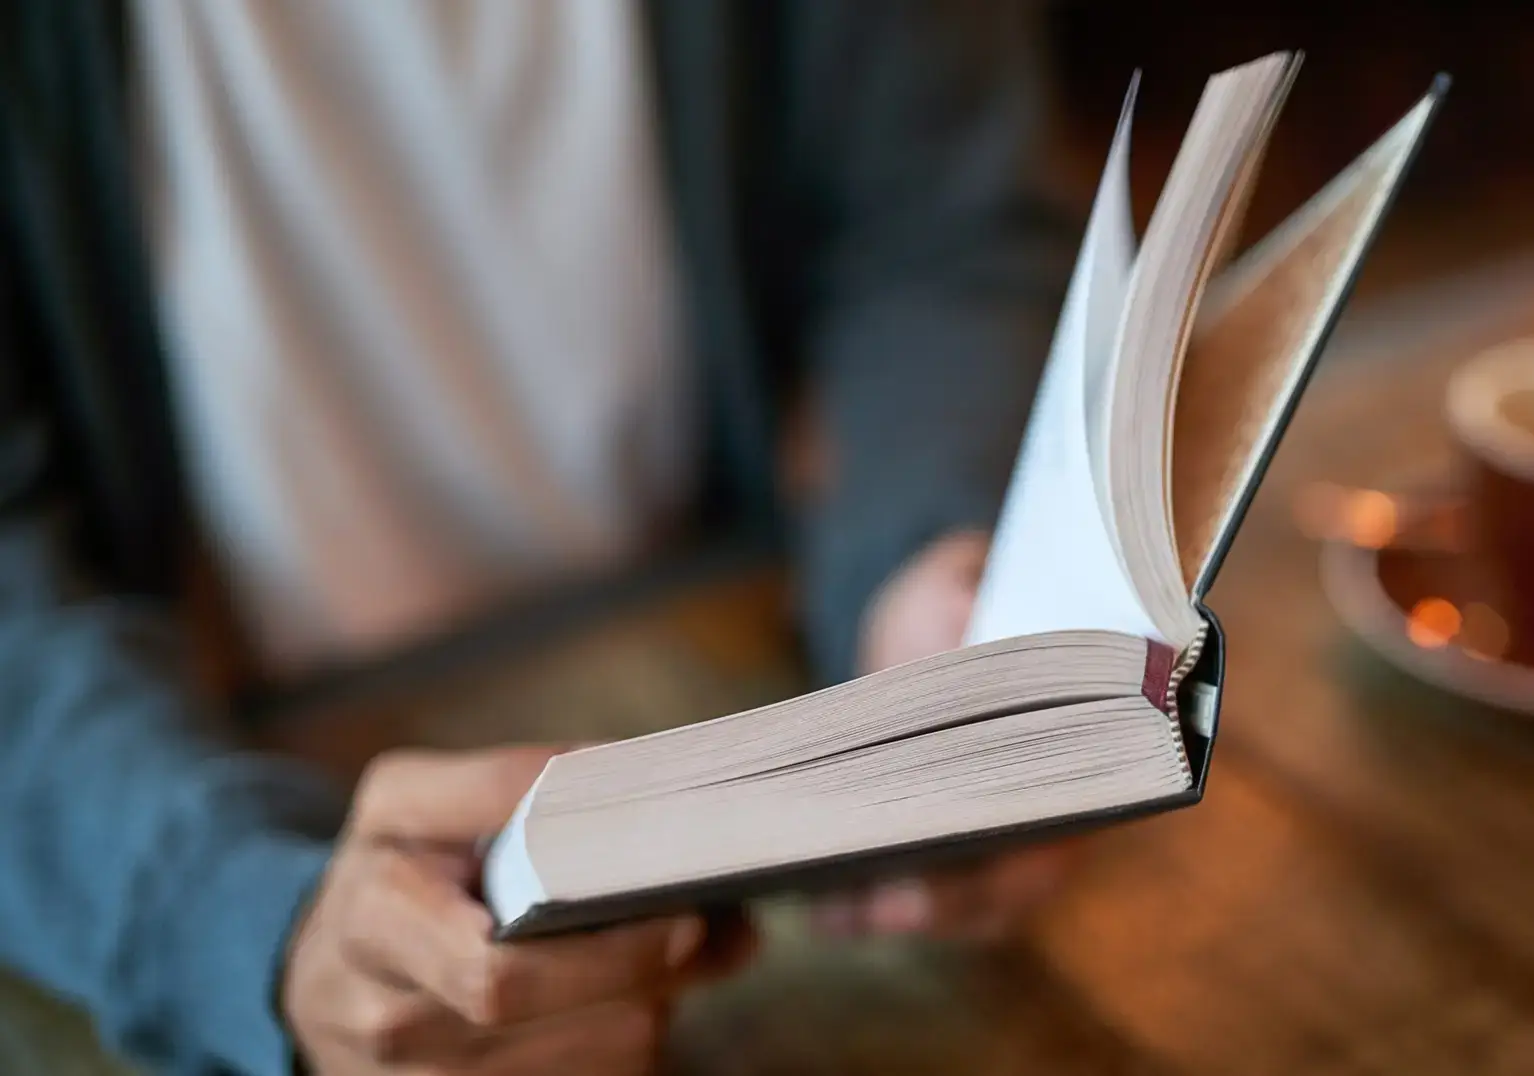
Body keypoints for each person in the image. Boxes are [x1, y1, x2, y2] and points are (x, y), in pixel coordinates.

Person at [0, 2, 1083, 1073]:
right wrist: (250, 927)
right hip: (192, 771)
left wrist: (924, 555)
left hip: (734, 653)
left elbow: (937, 221)